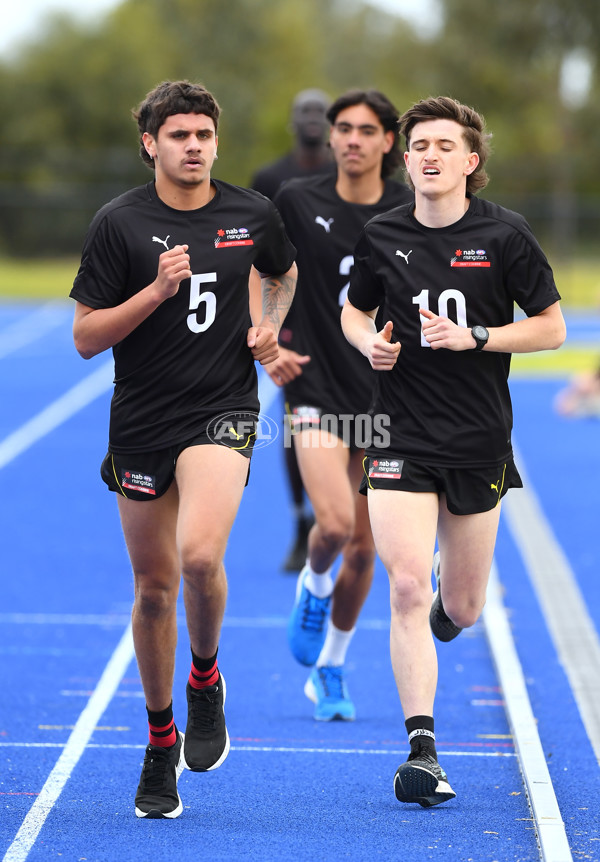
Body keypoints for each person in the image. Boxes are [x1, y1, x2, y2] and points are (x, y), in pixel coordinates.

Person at [69, 80, 297, 819]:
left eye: (203, 135)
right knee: (155, 587)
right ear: (150, 144)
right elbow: (85, 337)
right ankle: (160, 740)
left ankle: (205, 680)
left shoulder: (251, 213)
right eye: (179, 136)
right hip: (141, 418)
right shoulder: (119, 223)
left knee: (200, 557)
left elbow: (283, 272)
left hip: (222, 410)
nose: (193, 146)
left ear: (215, 141)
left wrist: (266, 322)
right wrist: (152, 296)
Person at [341, 96, 566, 806]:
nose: (430, 155)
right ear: (404, 160)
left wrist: (478, 339)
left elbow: (552, 328)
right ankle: (422, 753)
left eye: (445, 145)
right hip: (399, 433)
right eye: (419, 146)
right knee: (405, 584)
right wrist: (367, 341)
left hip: (477, 440)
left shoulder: (506, 236)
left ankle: (449, 610)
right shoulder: (381, 234)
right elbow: (354, 309)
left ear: (471, 162)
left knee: (461, 607)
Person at [264, 89, 413, 721]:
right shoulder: (298, 201)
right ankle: (314, 584)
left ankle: (331, 667)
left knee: (364, 551)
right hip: (317, 386)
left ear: (388, 143)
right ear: (332, 139)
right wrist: (268, 340)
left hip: (387, 395)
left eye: (365, 130)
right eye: (342, 129)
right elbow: (268, 272)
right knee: (334, 527)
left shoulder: (414, 209)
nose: (351, 139)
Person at [251, 88, 334, 573]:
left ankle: (346, 520)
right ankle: (303, 523)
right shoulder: (270, 178)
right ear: (291, 120)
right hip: (293, 320)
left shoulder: (347, 175)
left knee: (360, 421)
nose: (312, 119)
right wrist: (269, 324)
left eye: (321, 113)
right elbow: (254, 253)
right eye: (304, 111)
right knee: (295, 422)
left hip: (344, 313)